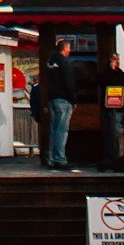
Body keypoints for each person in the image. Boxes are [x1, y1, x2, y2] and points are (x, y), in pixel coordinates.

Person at [44, 40, 75, 171]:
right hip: (63, 99)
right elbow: (69, 82)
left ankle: (51, 158)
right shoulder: (65, 63)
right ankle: (60, 158)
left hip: (52, 98)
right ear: (65, 48)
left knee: (54, 129)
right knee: (62, 130)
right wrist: (74, 99)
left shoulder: (50, 62)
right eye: (69, 48)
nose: (70, 51)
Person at [100, 56, 124, 168]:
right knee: (113, 132)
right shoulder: (106, 75)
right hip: (113, 109)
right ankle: (115, 156)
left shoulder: (123, 75)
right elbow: (104, 82)